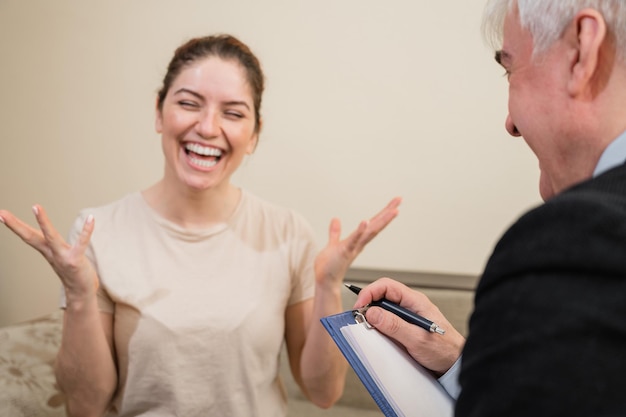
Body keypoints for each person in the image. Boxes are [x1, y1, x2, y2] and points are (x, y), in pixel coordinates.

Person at [0, 34, 401, 416]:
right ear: (159, 112)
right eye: (189, 103)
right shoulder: (97, 231)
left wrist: (329, 287)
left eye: (233, 112)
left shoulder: (287, 232)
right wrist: (80, 295)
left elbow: (323, 393)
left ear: (254, 134)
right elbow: (84, 407)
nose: (208, 128)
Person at [354, 0, 626, 415]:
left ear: (581, 53)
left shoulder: (575, 240)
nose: (510, 123)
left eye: (510, 69)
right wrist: (461, 362)